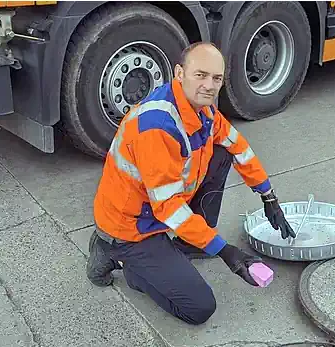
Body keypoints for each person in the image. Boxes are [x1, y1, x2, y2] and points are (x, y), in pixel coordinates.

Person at [86, 41, 295, 325]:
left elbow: (238, 147)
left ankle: (190, 243)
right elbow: (169, 208)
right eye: (201, 75)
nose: (209, 85)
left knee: (221, 153)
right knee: (199, 308)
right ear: (179, 73)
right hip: (131, 228)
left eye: (217, 78)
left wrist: (268, 196)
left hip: (156, 210)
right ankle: (118, 258)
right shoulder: (157, 127)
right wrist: (224, 250)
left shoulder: (202, 110)